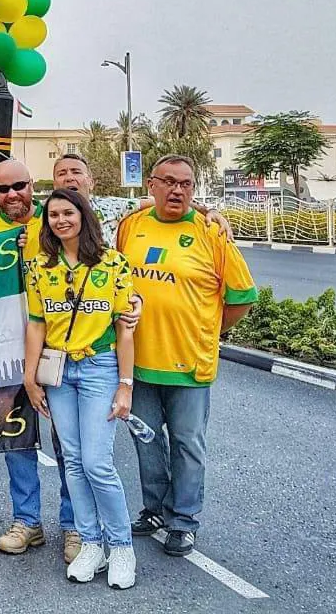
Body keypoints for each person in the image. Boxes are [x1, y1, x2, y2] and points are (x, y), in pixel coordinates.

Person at [117, 154, 258, 557]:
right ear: (152, 185)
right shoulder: (131, 226)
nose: (178, 190)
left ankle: (184, 520)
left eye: (187, 184)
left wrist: (209, 331)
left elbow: (242, 296)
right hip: (139, 361)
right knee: (145, 440)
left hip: (189, 363)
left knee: (187, 443)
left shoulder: (211, 231)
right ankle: (155, 509)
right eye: (169, 182)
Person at [23, 190, 138, 589]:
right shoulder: (39, 267)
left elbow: (126, 330)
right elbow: (37, 323)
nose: (60, 220)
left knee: (97, 463)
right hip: (58, 369)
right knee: (71, 460)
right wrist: (29, 375)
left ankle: (121, 547)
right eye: (53, 215)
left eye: (67, 213)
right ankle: (91, 543)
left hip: (100, 367)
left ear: (83, 215)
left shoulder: (113, 264)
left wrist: (125, 386)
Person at [0, 158, 77, 560]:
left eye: (19, 186)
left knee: (65, 443)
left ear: (31, 187)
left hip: (54, 351)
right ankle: (27, 521)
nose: (12, 195)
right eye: (3, 189)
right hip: (5, 354)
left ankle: (75, 525)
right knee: (16, 441)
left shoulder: (55, 221)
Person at [52, 152, 235, 246]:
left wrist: (208, 210)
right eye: (62, 173)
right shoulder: (42, 214)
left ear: (90, 182)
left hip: (103, 309)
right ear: (54, 183)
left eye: (76, 172)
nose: (69, 177)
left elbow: (163, 199)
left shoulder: (111, 207)